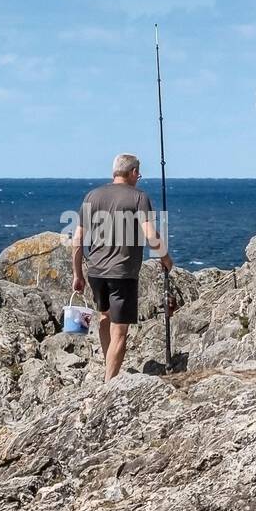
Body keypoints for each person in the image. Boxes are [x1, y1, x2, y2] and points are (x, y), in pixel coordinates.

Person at [71, 153, 173, 381]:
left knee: (105, 318)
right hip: (123, 274)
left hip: (96, 272)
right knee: (120, 331)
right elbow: (149, 234)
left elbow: (77, 240)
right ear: (133, 173)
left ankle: (109, 369)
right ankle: (109, 383)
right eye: (139, 173)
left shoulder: (92, 196)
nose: (139, 177)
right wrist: (165, 258)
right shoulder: (139, 197)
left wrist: (77, 274)